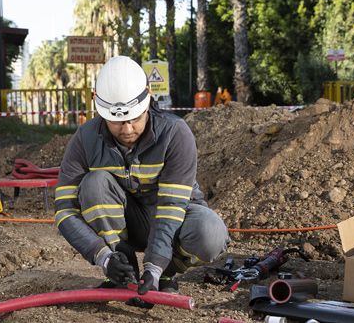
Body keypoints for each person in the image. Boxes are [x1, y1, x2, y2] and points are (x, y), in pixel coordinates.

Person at [54, 56, 229, 298]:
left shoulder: (175, 134)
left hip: (175, 220)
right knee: (93, 184)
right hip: (128, 222)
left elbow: (171, 206)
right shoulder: (85, 139)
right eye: (116, 121)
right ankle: (123, 270)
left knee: (210, 233)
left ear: (148, 98)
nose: (127, 129)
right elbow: (64, 209)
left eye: (135, 117)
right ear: (98, 105)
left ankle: (167, 271)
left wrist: (155, 266)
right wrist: (103, 257)